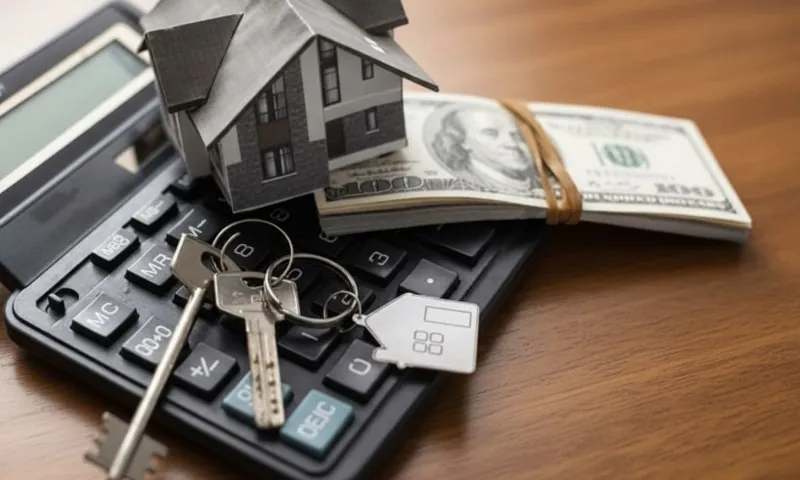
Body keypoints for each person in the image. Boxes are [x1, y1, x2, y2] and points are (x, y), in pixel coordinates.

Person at [424, 101, 539, 194]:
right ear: (463, 141)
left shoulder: (536, 179)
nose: (512, 143)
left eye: (517, 135)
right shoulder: (465, 180)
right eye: (491, 134)